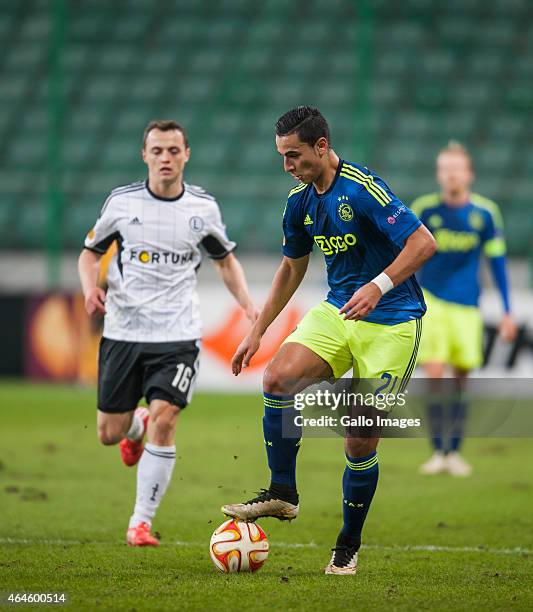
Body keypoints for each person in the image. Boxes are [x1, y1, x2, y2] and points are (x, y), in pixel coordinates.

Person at [221, 106, 436, 575]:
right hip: (339, 311)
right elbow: (292, 268)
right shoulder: (299, 203)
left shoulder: (363, 189)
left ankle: (347, 543)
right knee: (277, 378)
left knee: (359, 439)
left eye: (293, 155)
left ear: (321, 146)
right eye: (281, 156)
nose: (287, 166)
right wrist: (256, 331)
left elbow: (424, 243)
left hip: (393, 320)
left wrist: (378, 285)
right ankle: (283, 492)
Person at [78, 119, 257, 546]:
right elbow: (89, 254)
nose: (165, 158)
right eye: (157, 150)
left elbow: (225, 260)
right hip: (124, 332)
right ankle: (133, 426)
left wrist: (248, 305)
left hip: (178, 335)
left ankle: (140, 521)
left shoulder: (202, 209)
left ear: (186, 155)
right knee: (109, 433)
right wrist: (90, 289)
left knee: (167, 417)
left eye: (173, 150)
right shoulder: (121, 204)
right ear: (144, 155)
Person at [411, 141, 517, 477]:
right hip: (433, 305)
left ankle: (454, 450)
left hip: (468, 308)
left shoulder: (485, 213)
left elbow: (497, 263)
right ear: (439, 174)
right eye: (444, 169)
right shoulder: (425, 209)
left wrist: (507, 311)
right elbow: (409, 259)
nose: (451, 176)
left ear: (468, 174)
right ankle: (437, 450)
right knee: (435, 378)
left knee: (460, 382)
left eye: (456, 169)